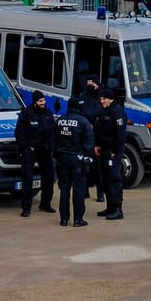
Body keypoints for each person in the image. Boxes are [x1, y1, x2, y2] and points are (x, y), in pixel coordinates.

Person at [13, 90, 57, 217]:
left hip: (45, 150)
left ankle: (45, 204)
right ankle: (26, 207)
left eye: (43, 100)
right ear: (35, 102)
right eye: (40, 101)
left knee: (49, 177)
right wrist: (25, 149)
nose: (43, 103)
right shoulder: (26, 113)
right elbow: (19, 133)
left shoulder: (48, 113)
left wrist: (51, 147)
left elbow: (53, 132)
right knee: (28, 179)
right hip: (30, 150)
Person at [51, 94, 93, 226]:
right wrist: (88, 158)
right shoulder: (83, 122)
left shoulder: (60, 120)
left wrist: (57, 155)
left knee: (64, 191)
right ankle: (78, 219)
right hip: (77, 160)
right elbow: (89, 143)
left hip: (62, 160)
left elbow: (54, 140)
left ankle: (64, 219)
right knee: (78, 191)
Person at [93, 86, 128, 220]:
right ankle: (110, 207)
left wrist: (115, 150)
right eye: (101, 99)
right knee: (105, 180)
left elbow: (120, 135)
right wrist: (97, 144)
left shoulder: (117, 112)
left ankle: (118, 209)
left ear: (111, 99)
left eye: (104, 99)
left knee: (114, 180)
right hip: (104, 149)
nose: (102, 101)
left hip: (113, 151)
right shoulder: (103, 112)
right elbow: (99, 130)